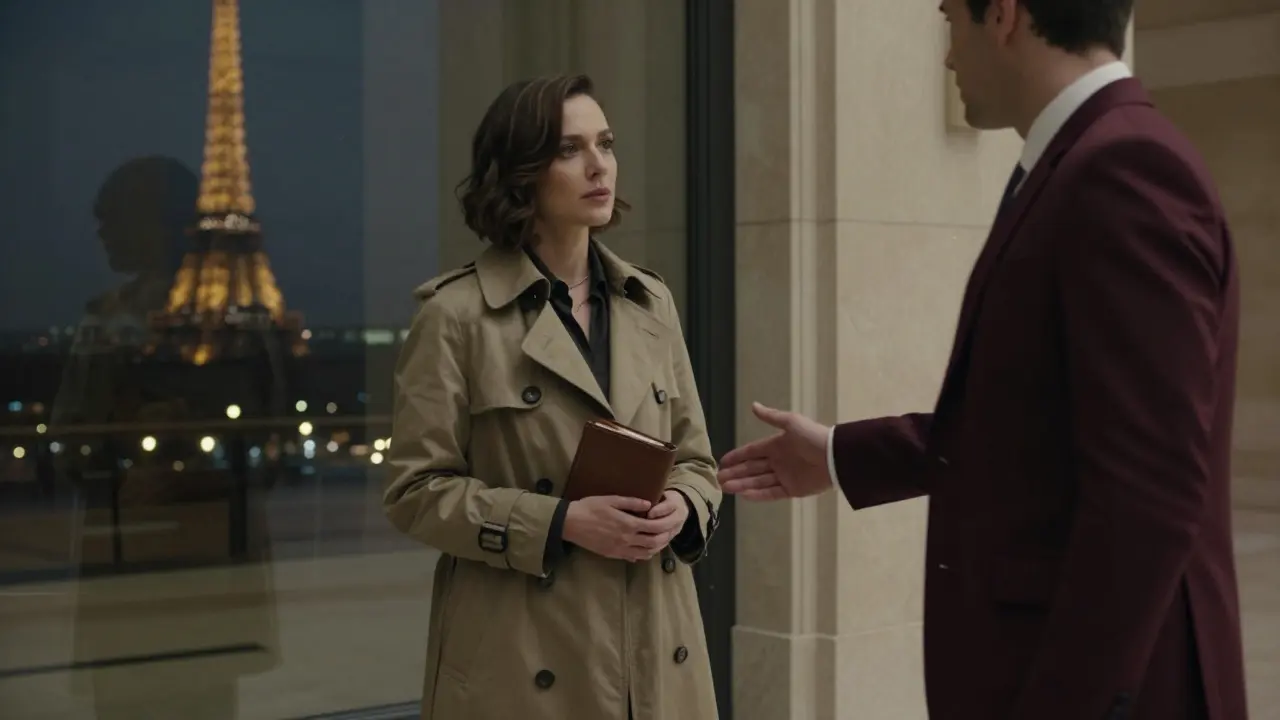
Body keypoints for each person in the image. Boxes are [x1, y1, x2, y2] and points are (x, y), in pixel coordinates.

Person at [717, 1, 1247, 719]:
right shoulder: (1080, 161)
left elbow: (1147, 498)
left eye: (948, 21)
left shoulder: (1125, 169)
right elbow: (1032, 429)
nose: (945, 56)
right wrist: (841, 455)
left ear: (1002, 15)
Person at [384, 74, 722, 720]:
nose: (600, 166)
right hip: (520, 657)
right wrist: (561, 522)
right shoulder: (457, 316)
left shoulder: (650, 304)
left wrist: (682, 505)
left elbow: (699, 462)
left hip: (655, 647)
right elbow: (414, 493)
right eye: (570, 150)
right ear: (520, 174)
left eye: (607, 143)